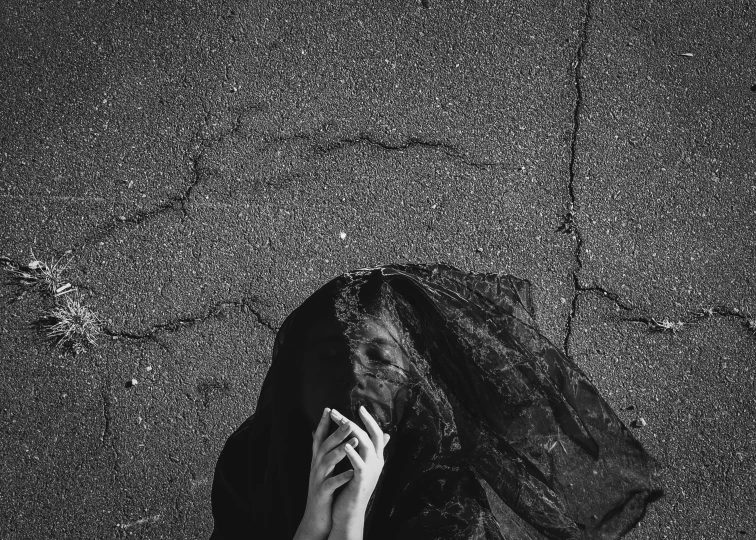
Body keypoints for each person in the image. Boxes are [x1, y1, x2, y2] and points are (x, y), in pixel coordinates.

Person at [209, 263, 663, 540]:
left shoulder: (452, 503)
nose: (351, 381)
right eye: (328, 356)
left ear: (413, 379)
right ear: (297, 371)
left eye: (378, 358)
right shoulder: (253, 459)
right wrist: (312, 524)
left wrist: (347, 522)